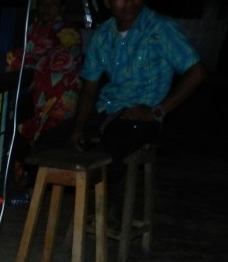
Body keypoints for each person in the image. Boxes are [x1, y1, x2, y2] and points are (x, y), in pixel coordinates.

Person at [68, 0, 207, 221]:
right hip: (107, 109)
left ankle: (111, 209)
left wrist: (157, 112)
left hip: (142, 117)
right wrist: (78, 128)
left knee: (105, 154)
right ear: (107, 2)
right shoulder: (103, 34)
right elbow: (89, 88)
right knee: (49, 143)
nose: (129, 3)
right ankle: (85, 207)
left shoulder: (160, 28)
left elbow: (196, 72)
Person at [7, 0, 83, 149]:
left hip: (58, 98)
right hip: (39, 94)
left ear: (62, 8)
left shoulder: (67, 30)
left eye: (52, 4)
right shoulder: (33, 28)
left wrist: (19, 58)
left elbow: (43, 57)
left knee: (50, 144)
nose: (46, 8)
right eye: (43, 3)